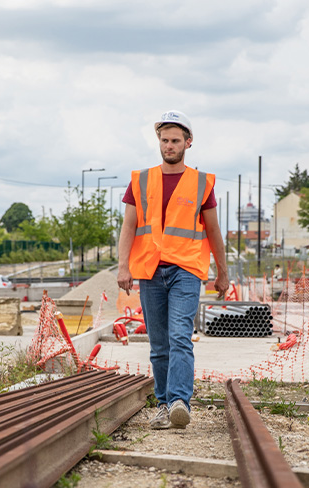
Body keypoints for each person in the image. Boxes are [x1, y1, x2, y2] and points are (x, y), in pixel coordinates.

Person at [117, 110, 229, 430]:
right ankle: (165, 405)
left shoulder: (200, 183)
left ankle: (180, 400)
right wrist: (123, 266)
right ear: (159, 142)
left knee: (180, 335)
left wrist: (222, 272)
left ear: (187, 143)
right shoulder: (140, 180)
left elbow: (213, 231)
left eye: (175, 140)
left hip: (186, 268)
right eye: (164, 140)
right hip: (150, 269)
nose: (169, 145)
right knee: (159, 344)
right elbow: (128, 226)